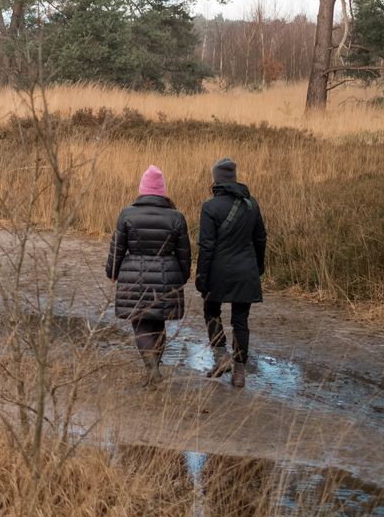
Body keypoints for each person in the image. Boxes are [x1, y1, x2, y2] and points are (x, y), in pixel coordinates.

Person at [106, 165, 191, 387]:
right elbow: (184, 253)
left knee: (140, 323)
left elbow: (117, 248)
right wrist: (181, 277)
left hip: (133, 276)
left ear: (142, 190)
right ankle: (154, 372)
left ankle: (152, 371)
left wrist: (112, 272)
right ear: (163, 191)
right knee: (158, 322)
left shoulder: (127, 214)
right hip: (166, 277)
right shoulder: (177, 217)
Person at [196, 157, 267, 389]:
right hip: (246, 270)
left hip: (219, 272)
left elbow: (206, 246)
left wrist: (201, 276)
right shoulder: (251, 204)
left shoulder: (210, 207)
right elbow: (260, 238)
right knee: (240, 322)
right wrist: (258, 267)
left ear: (216, 179)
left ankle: (221, 357)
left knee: (211, 310)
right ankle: (239, 372)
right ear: (233, 178)